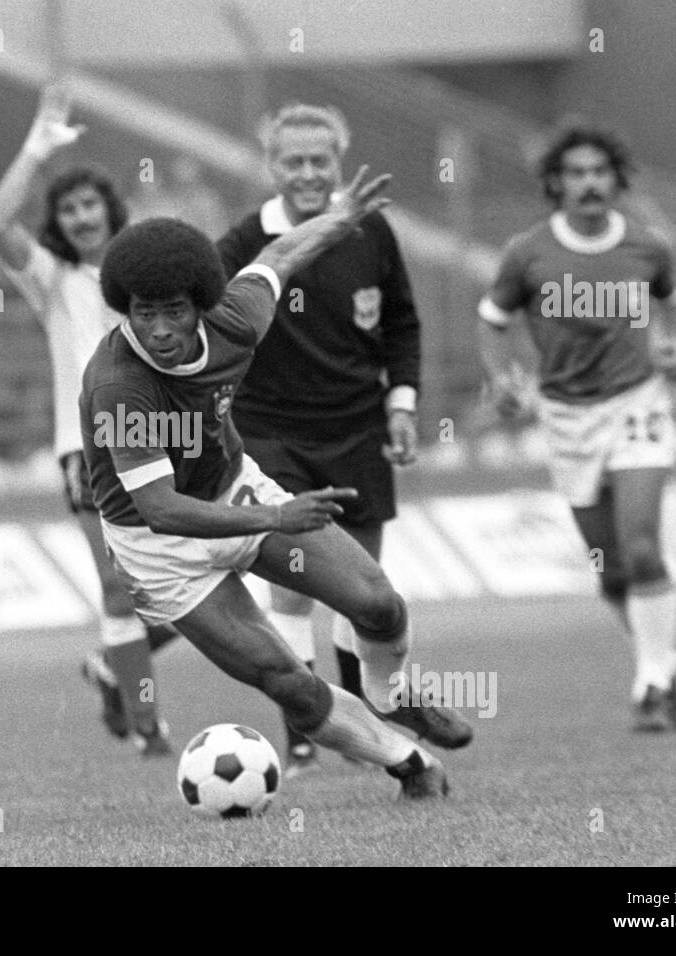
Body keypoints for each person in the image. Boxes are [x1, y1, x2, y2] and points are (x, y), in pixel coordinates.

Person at [80, 165, 474, 800]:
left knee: (378, 604)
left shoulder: (236, 320)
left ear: (201, 306)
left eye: (174, 311)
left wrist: (342, 218)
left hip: (235, 489)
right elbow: (158, 508)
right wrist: (275, 519)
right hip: (160, 549)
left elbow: (279, 253)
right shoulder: (120, 384)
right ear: (125, 308)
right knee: (284, 677)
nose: (159, 329)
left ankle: (388, 692)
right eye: (144, 312)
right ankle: (408, 764)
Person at [216, 103, 424, 776]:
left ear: (338, 162)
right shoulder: (240, 245)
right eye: (293, 161)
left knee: (363, 585)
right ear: (271, 166)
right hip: (274, 433)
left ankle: (366, 713)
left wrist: (401, 404)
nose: (307, 173)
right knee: (296, 584)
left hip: (359, 426)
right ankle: (303, 729)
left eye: (319, 161)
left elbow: (402, 324)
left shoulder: (374, 233)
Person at [478, 123, 676, 731]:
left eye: (599, 171)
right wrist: (503, 381)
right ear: (556, 184)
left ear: (616, 179)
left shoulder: (647, 246)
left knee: (644, 545)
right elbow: (491, 320)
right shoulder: (528, 253)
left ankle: (651, 687)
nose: (589, 183)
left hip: (637, 403)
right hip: (567, 417)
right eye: (575, 173)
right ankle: (662, 667)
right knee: (611, 570)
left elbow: (674, 301)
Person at [0, 85, 175, 755]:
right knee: (120, 589)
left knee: (207, 568)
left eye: (90, 203)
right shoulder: (51, 278)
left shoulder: (143, 277)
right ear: (57, 222)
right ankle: (148, 727)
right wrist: (36, 146)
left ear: (109, 210)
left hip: (161, 441)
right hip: (85, 450)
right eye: (68, 209)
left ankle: (111, 668)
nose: (82, 216)